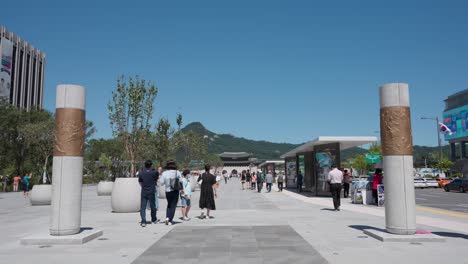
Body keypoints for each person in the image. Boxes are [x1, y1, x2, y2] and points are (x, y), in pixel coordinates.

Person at [159, 160, 183, 225]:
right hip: (175, 191)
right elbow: (181, 181)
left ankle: (167, 217)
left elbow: (161, 183)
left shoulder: (164, 173)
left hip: (168, 192)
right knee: (173, 206)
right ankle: (170, 220)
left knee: (169, 205)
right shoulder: (177, 172)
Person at [138, 160, 159, 227]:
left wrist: (144, 187)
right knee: (153, 206)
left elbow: (140, 182)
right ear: (151, 165)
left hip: (144, 191)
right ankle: (153, 219)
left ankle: (143, 221)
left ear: (145, 165)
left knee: (143, 207)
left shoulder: (141, 173)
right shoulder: (154, 172)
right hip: (152, 191)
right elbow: (156, 180)